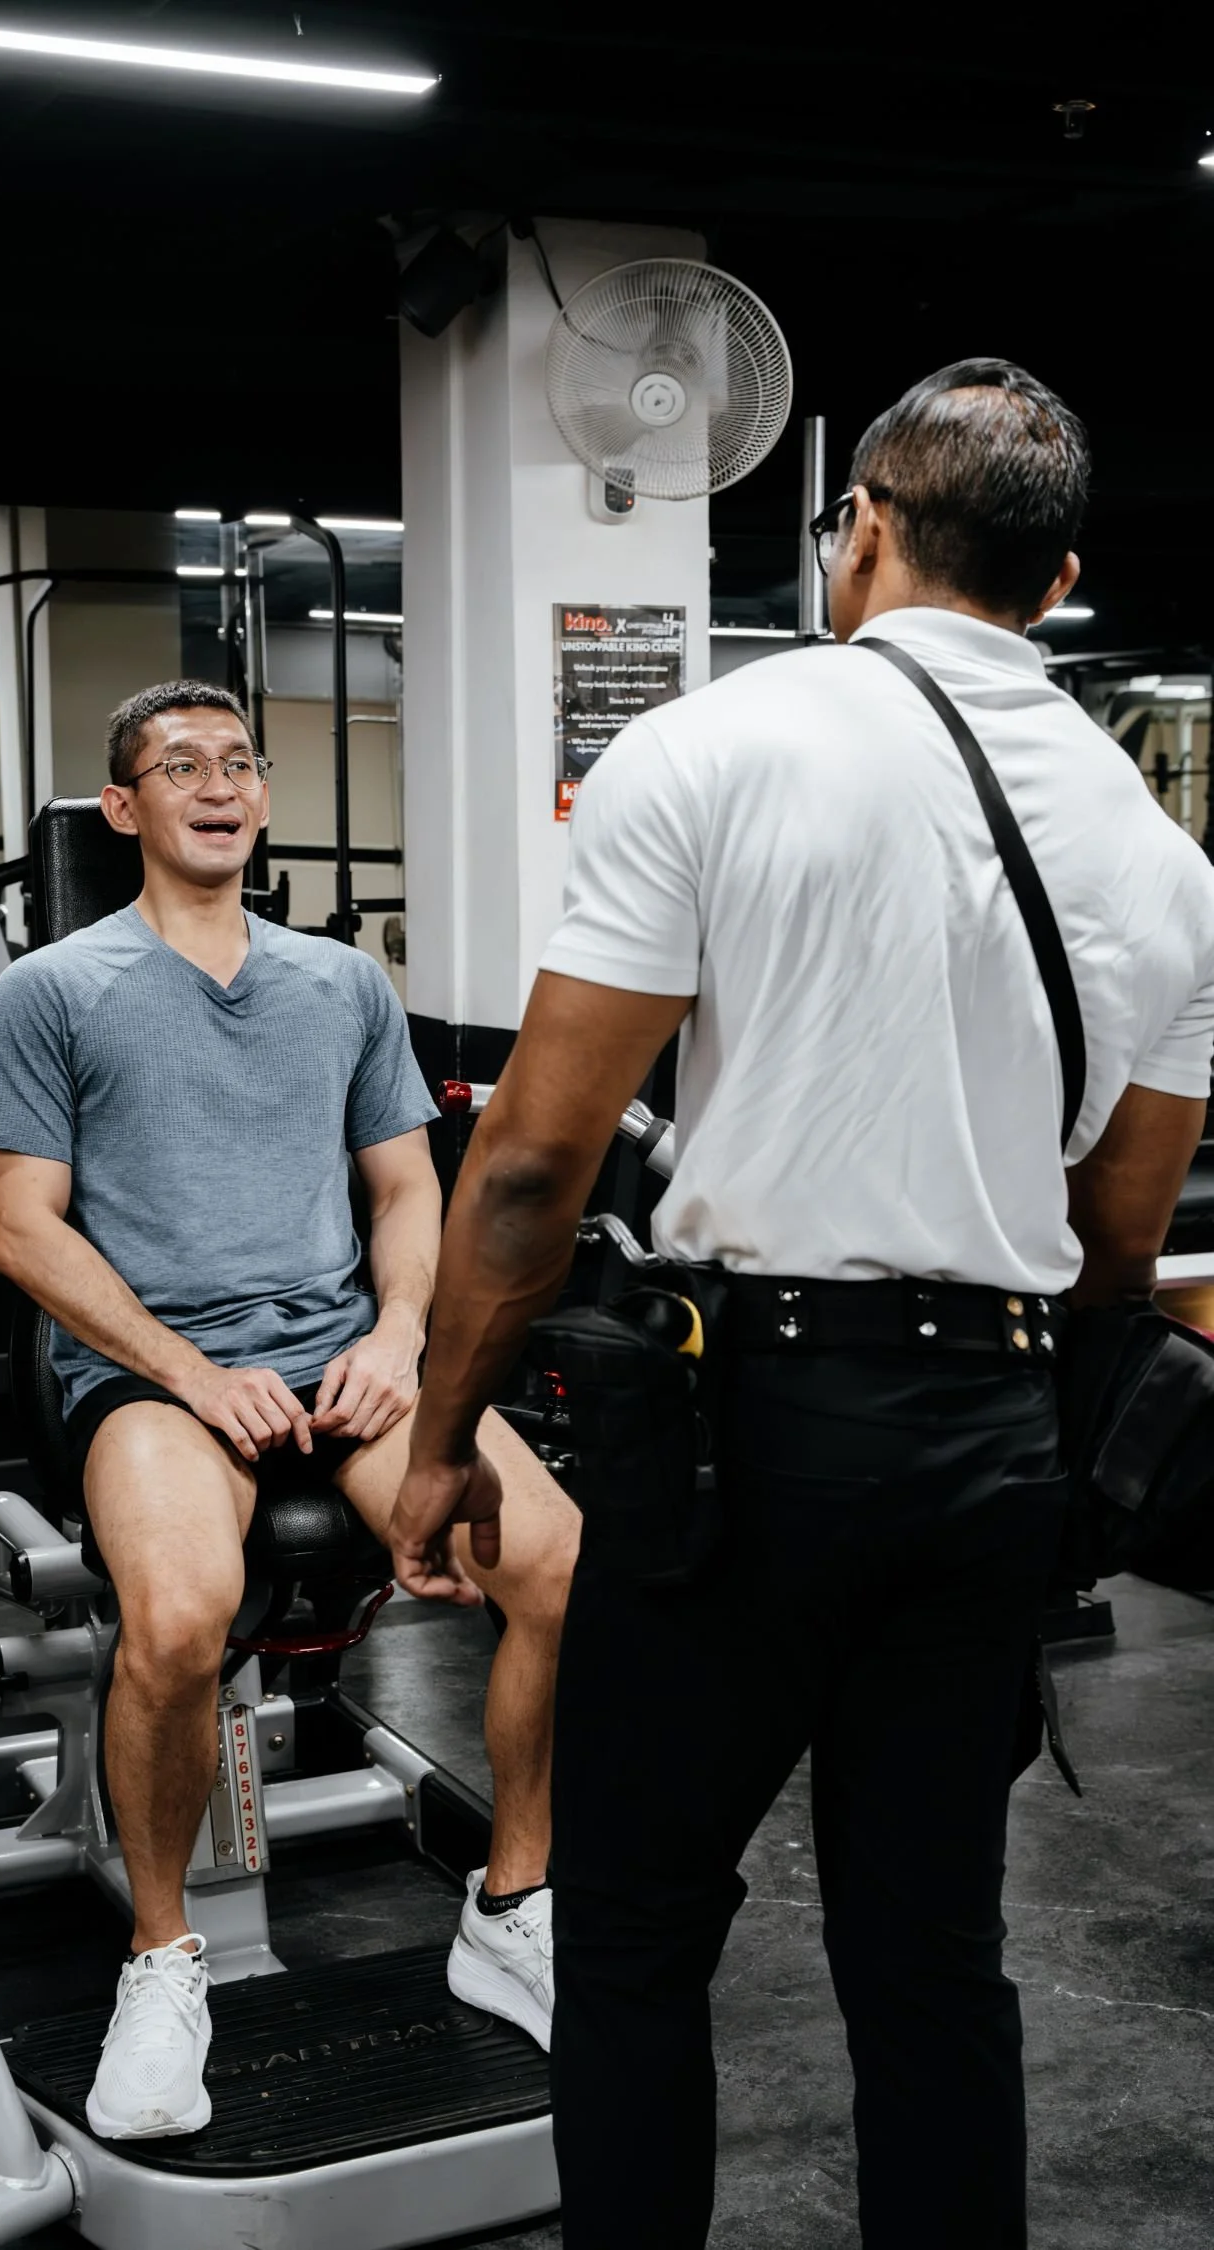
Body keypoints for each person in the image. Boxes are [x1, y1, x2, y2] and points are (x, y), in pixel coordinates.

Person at [392, 360, 1214, 2246]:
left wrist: (448, 1440)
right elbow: (1118, 1240)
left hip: (746, 1441)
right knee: (933, 1962)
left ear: (857, 525)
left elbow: (526, 1162)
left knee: (632, 1932)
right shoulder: (1168, 865)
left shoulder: (719, 744)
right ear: (1061, 573)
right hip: (997, 1449)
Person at [0, 680, 577, 2142]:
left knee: (550, 1552)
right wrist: (187, 1366)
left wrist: (403, 1331)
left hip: (344, 1356)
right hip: (155, 1378)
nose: (219, 785)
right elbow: (20, 1231)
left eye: (240, 762)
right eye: (181, 765)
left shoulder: (340, 984)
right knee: (178, 1615)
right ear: (126, 808)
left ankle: (511, 1905)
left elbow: (406, 1187)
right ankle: (163, 1963)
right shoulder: (51, 991)